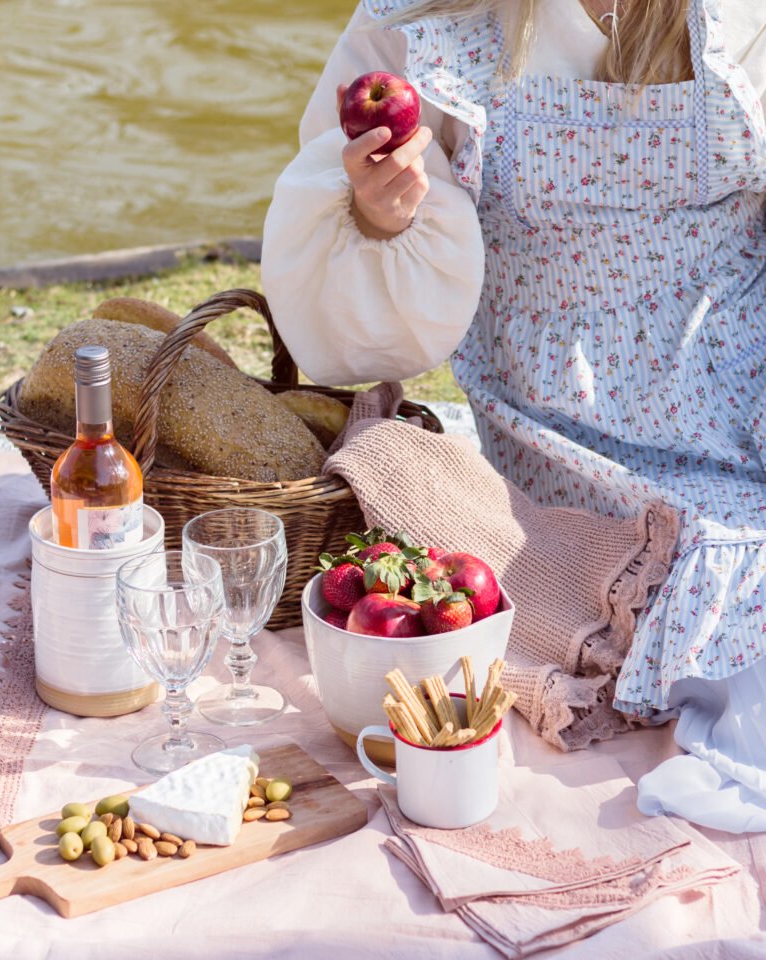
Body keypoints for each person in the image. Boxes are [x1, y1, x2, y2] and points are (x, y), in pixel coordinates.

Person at [260, 0, 766, 832]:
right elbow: (346, 321)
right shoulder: (433, 15)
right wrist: (379, 215)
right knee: (719, 578)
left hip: (740, 393)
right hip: (559, 428)